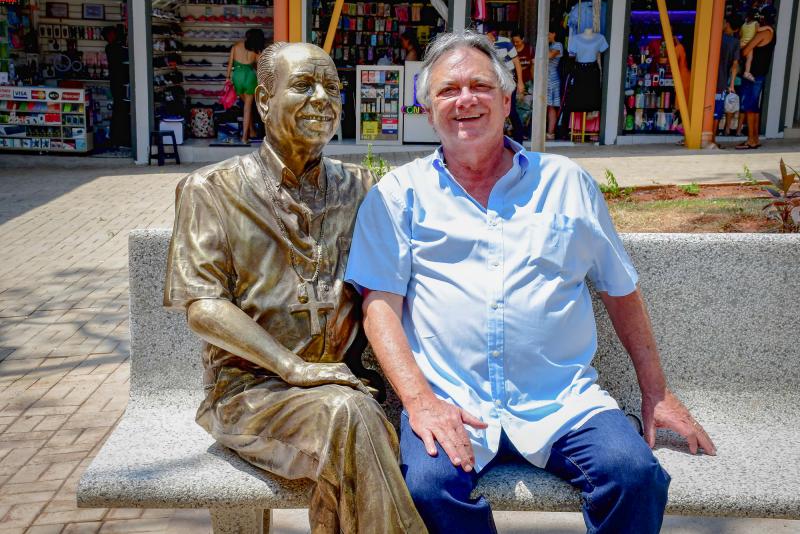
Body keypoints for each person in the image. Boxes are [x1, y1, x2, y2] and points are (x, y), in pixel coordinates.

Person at [345, 31, 716, 534]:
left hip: (562, 401)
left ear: (505, 98)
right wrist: (420, 402)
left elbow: (619, 289)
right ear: (428, 109)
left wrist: (657, 393)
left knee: (635, 476)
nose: (465, 100)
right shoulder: (397, 195)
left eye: (479, 85)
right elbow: (379, 308)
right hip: (453, 401)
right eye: (447, 91)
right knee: (424, 488)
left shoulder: (567, 182)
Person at [164, 42, 426, 534]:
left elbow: (386, 289)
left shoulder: (361, 187)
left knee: (357, 423)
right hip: (250, 391)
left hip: (347, 386)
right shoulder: (211, 190)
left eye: (332, 88)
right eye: (304, 86)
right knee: (352, 420)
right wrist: (294, 367)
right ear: (263, 100)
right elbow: (202, 306)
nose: (323, 99)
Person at [736, 7, 775, 150]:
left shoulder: (763, 33)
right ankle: (755, 139)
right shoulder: (771, 32)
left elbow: (746, 51)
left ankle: (751, 140)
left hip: (753, 74)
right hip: (760, 74)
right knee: (754, 108)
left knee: (750, 107)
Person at [485, 25, 525, 143]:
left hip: (508, 77)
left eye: (492, 36)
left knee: (511, 109)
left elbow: (517, 63)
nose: (491, 39)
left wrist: (521, 83)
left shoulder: (506, 43)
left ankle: (519, 140)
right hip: (494, 79)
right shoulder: (482, 44)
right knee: (495, 109)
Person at [226, 28, 265, 144]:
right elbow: (259, 69)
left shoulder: (236, 46)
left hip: (237, 77)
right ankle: (245, 138)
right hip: (250, 78)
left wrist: (227, 78)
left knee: (246, 106)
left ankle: (251, 131)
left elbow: (230, 64)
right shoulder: (257, 51)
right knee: (247, 108)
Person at [712, 14, 741, 147]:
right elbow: (734, 65)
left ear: (727, 24)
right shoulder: (735, 43)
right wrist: (731, 85)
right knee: (717, 112)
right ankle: (712, 139)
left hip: (708, 81)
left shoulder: (715, 37)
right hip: (722, 82)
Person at [102, 25, 130, 147]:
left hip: (121, 82)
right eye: (112, 34)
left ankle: (120, 137)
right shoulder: (110, 48)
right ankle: (118, 138)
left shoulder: (116, 46)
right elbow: (120, 56)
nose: (114, 35)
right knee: (120, 110)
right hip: (117, 83)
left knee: (122, 110)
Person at [740, 7, 772, 82]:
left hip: (741, 43)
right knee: (749, 59)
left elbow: (740, 34)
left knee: (739, 58)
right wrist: (767, 27)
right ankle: (746, 72)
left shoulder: (744, 24)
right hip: (748, 44)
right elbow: (758, 30)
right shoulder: (756, 23)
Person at [511, 29, 534, 132]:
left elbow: (533, 66)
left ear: (523, 39)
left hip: (528, 82)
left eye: (518, 41)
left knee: (526, 107)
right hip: (513, 83)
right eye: (514, 42)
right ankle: (514, 130)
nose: (515, 44)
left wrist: (534, 82)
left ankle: (522, 130)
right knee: (514, 107)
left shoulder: (529, 50)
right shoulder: (511, 51)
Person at [544, 23, 563, 140]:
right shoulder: (551, 45)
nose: (547, 36)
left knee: (551, 106)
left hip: (552, 78)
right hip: (547, 77)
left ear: (554, 34)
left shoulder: (558, 45)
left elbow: (549, 56)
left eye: (548, 33)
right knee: (547, 106)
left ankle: (550, 132)